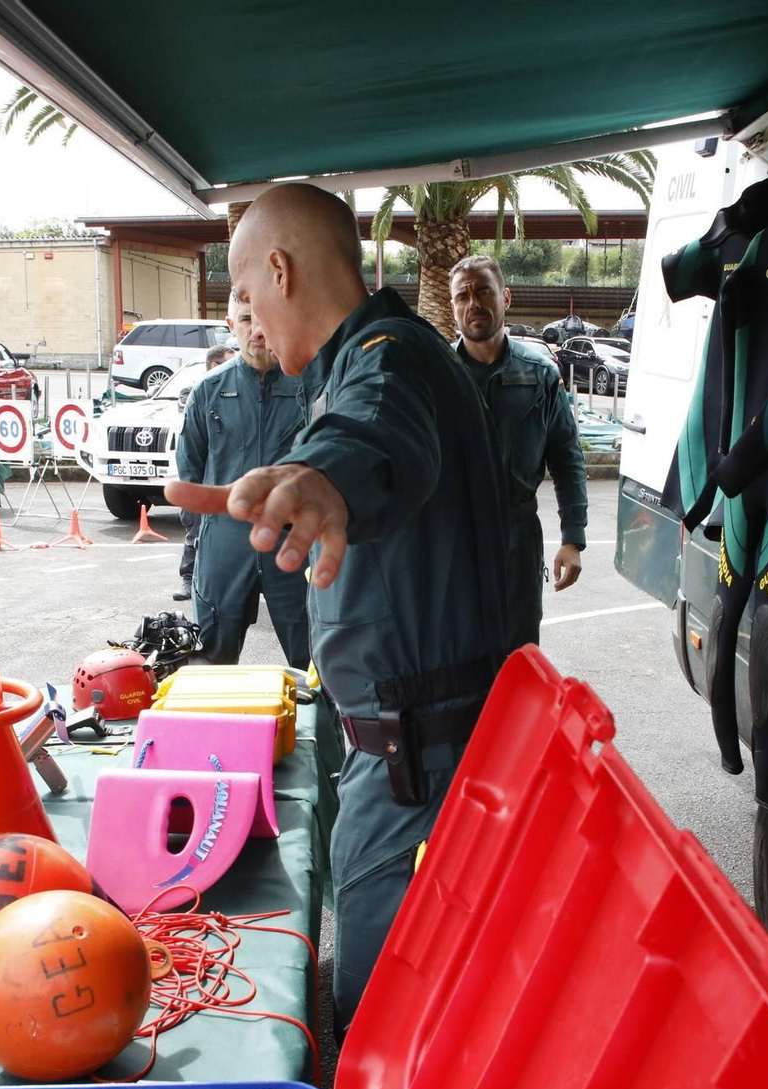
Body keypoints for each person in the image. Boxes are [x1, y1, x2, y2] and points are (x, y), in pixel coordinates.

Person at [166, 184, 513, 1033]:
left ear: (278, 271)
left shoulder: (387, 361)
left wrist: (323, 478)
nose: (248, 320)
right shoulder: (377, 356)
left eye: (246, 297)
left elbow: (374, 435)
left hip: (416, 775)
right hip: (421, 755)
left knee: (381, 1025)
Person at [447, 255, 587, 646]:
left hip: (517, 537)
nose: (473, 302)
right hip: (452, 540)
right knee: (453, 659)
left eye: (484, 291)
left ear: (505, 297)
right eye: (463, 295)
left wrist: (572, 539)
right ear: (453, 306)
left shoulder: (540, 374)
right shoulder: (437, 374)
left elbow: (567, 457)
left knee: (519, 654)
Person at [177, 296, 311, 666]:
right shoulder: (207, 391)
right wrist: (203, 543)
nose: (258, 329)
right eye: (248, 318)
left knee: (314, 665)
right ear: (231, 324)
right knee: (212, 664)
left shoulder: (307, 388)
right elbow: (190, 473)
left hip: (291, 548)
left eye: (267, 317)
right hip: (224, 548)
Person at [175, 342, 237, 602]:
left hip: (228, 479)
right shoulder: (197, 393)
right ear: (214, 365)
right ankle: (188, 580)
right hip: (203, 482)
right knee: (195, 534)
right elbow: (190, 449)